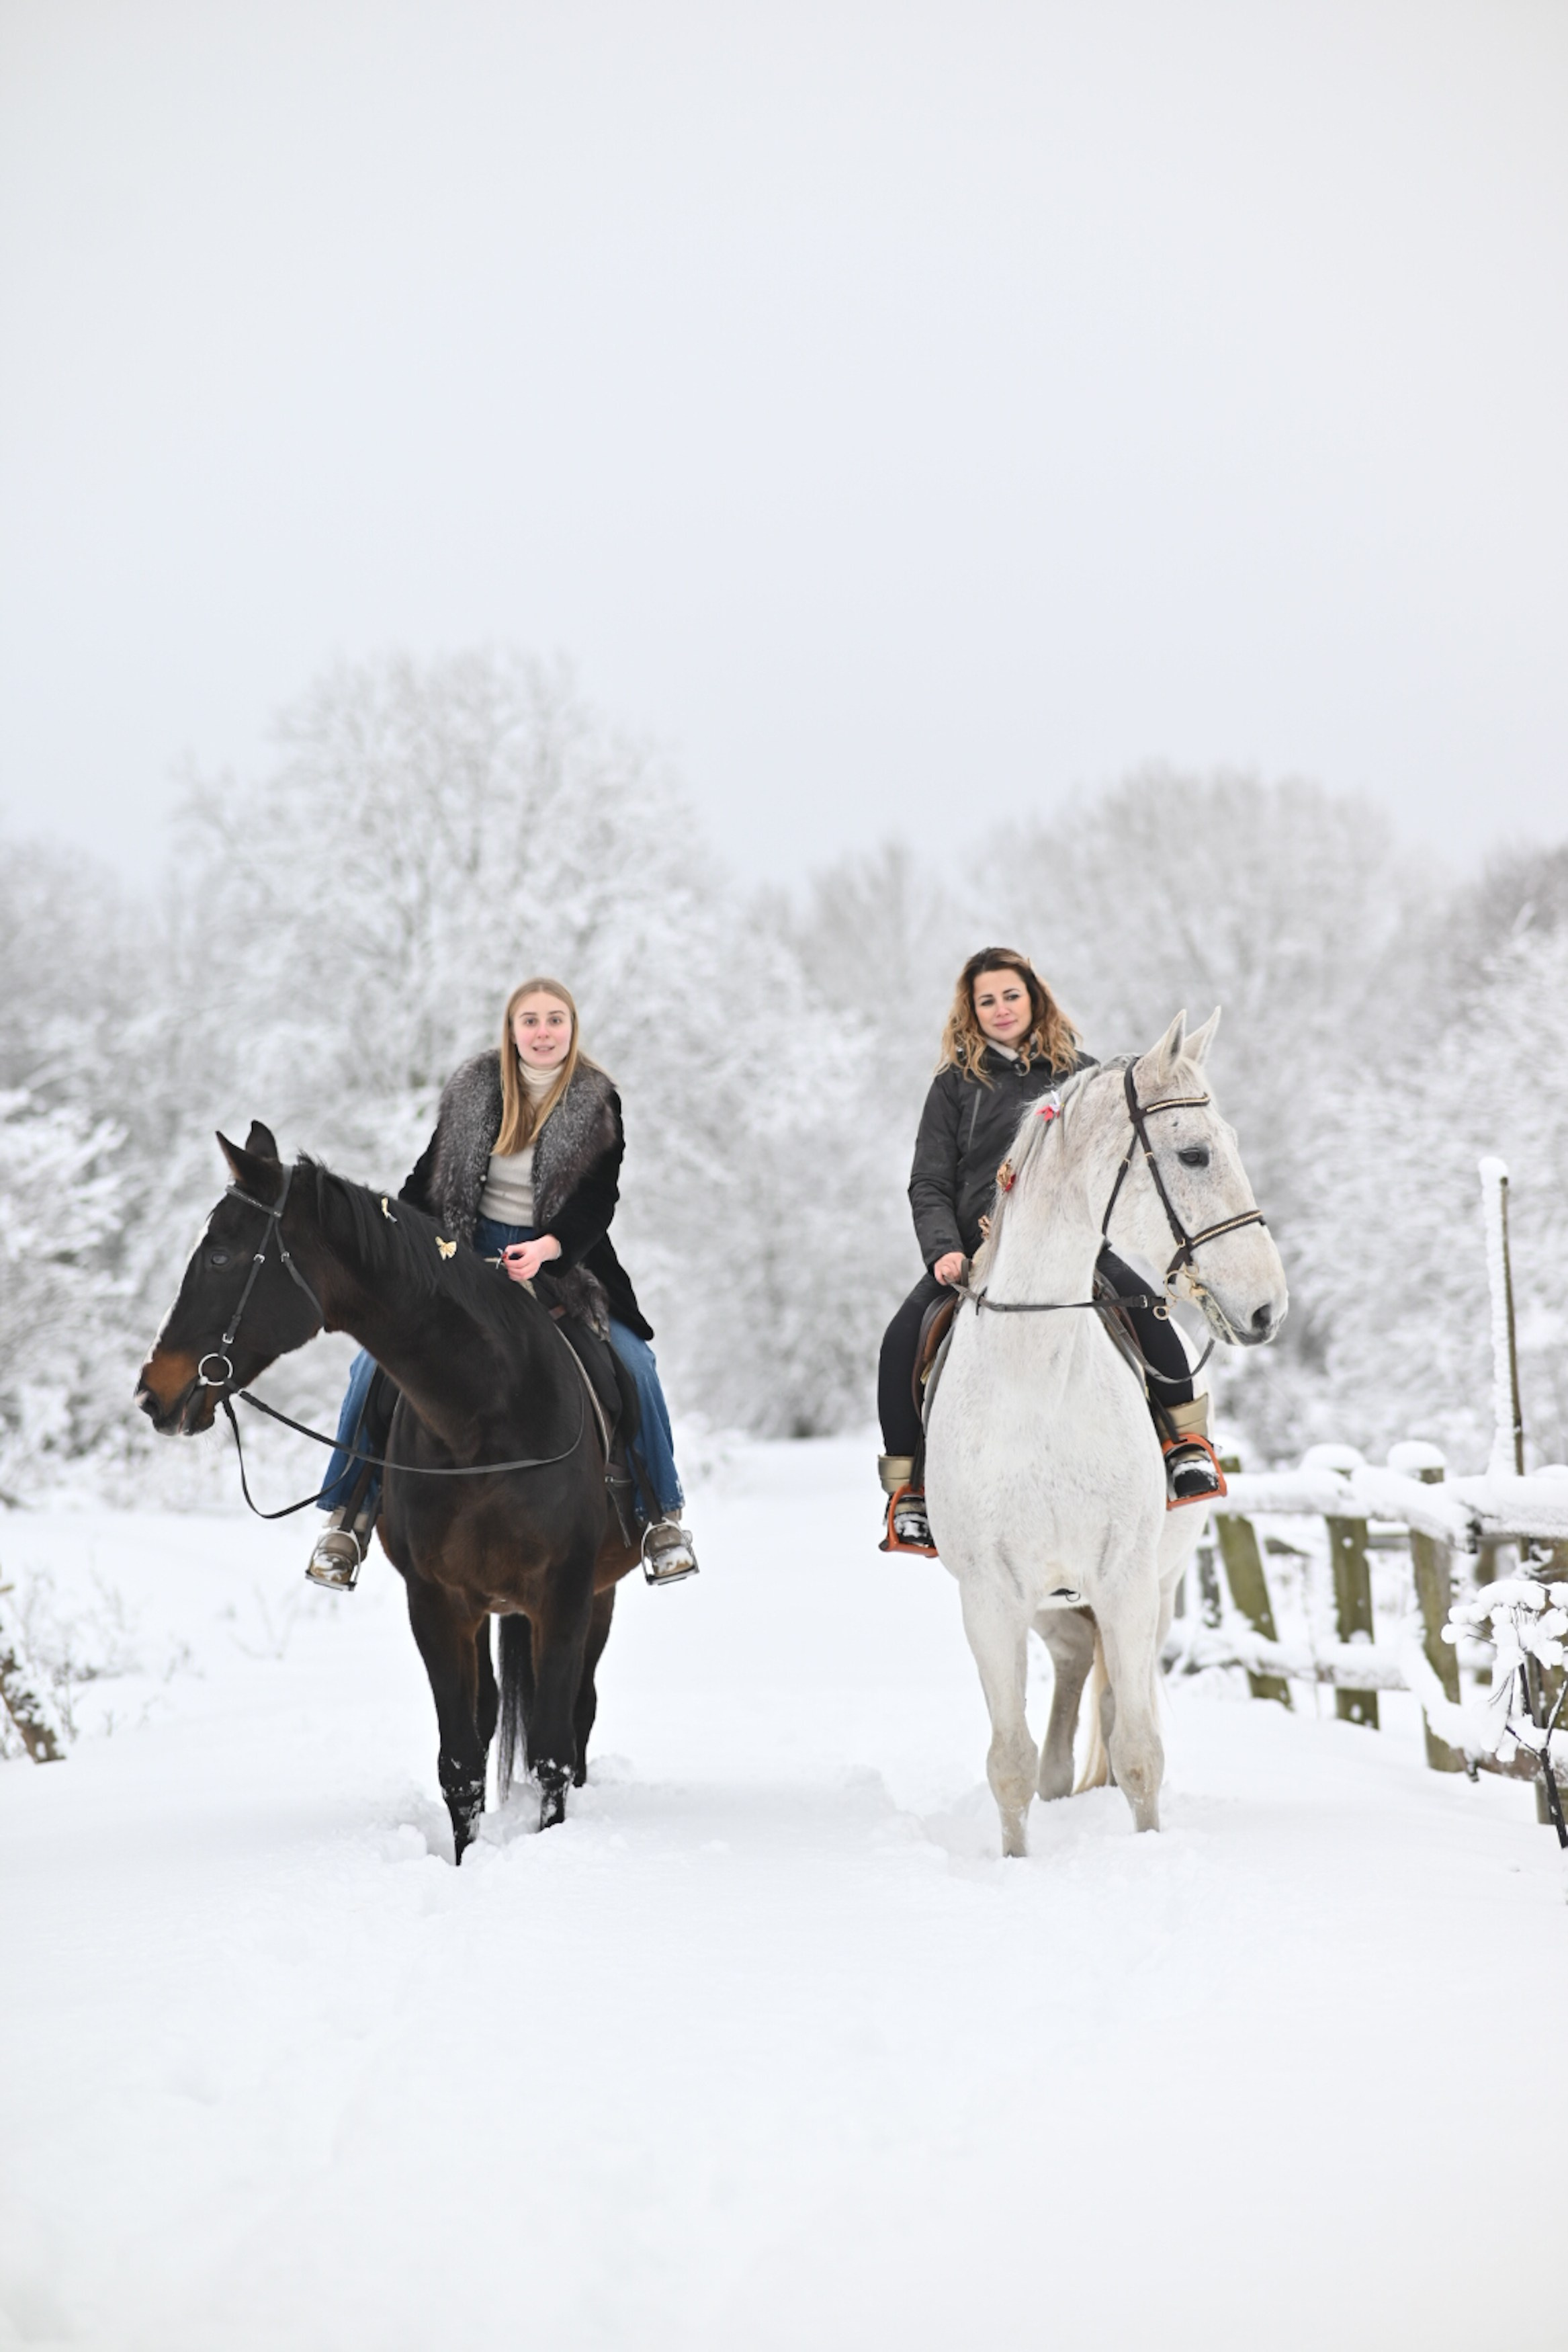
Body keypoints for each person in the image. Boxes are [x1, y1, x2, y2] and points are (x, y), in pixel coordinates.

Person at [306, 978, 697, 1590]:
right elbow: (426, 1181)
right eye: (531, 1021)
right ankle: (347, 1517)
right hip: (461, 1258)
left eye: (555, 1021)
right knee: (370, 1367)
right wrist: (394, 1234)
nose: (544, 1033)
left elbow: (599, 1199)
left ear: (572, 1029)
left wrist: (547, 1249)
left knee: (634, 1363)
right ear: (511, 1030)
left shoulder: (598, 1100)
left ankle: (659, 1518)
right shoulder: (472, 1091)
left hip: (566, 1256)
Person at [877, 947, 1223, 1553]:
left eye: (1011, 995)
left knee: (1147, 1309)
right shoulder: (954, 1088)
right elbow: (929, 1180)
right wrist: (943, 1250)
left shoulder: (1082, 1077)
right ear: (972, 1011)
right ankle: (911, 1494)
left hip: (1075, 1247)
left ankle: (1185, 1447)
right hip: (974, 1258)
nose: (1001, 1008)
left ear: (1034, 997)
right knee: (902, 1339)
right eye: (987, 1000)